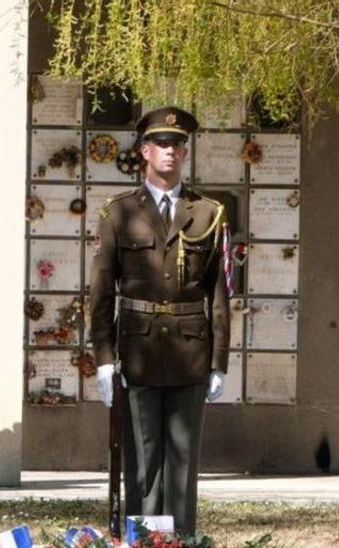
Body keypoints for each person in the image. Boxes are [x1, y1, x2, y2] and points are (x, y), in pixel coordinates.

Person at [89, 106, 230, 534]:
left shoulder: (208, 213)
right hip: (138, 352)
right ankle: (145, 541)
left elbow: (220, 294)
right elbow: (101, 291)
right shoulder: (118, 212)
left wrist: (219, 361)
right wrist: (103, 357)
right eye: (163, 144)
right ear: (145, 151)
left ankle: (181, 541)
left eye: (179, 144)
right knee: (142, 461)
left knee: (183, 464)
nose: (172, 151)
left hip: (190, 351)